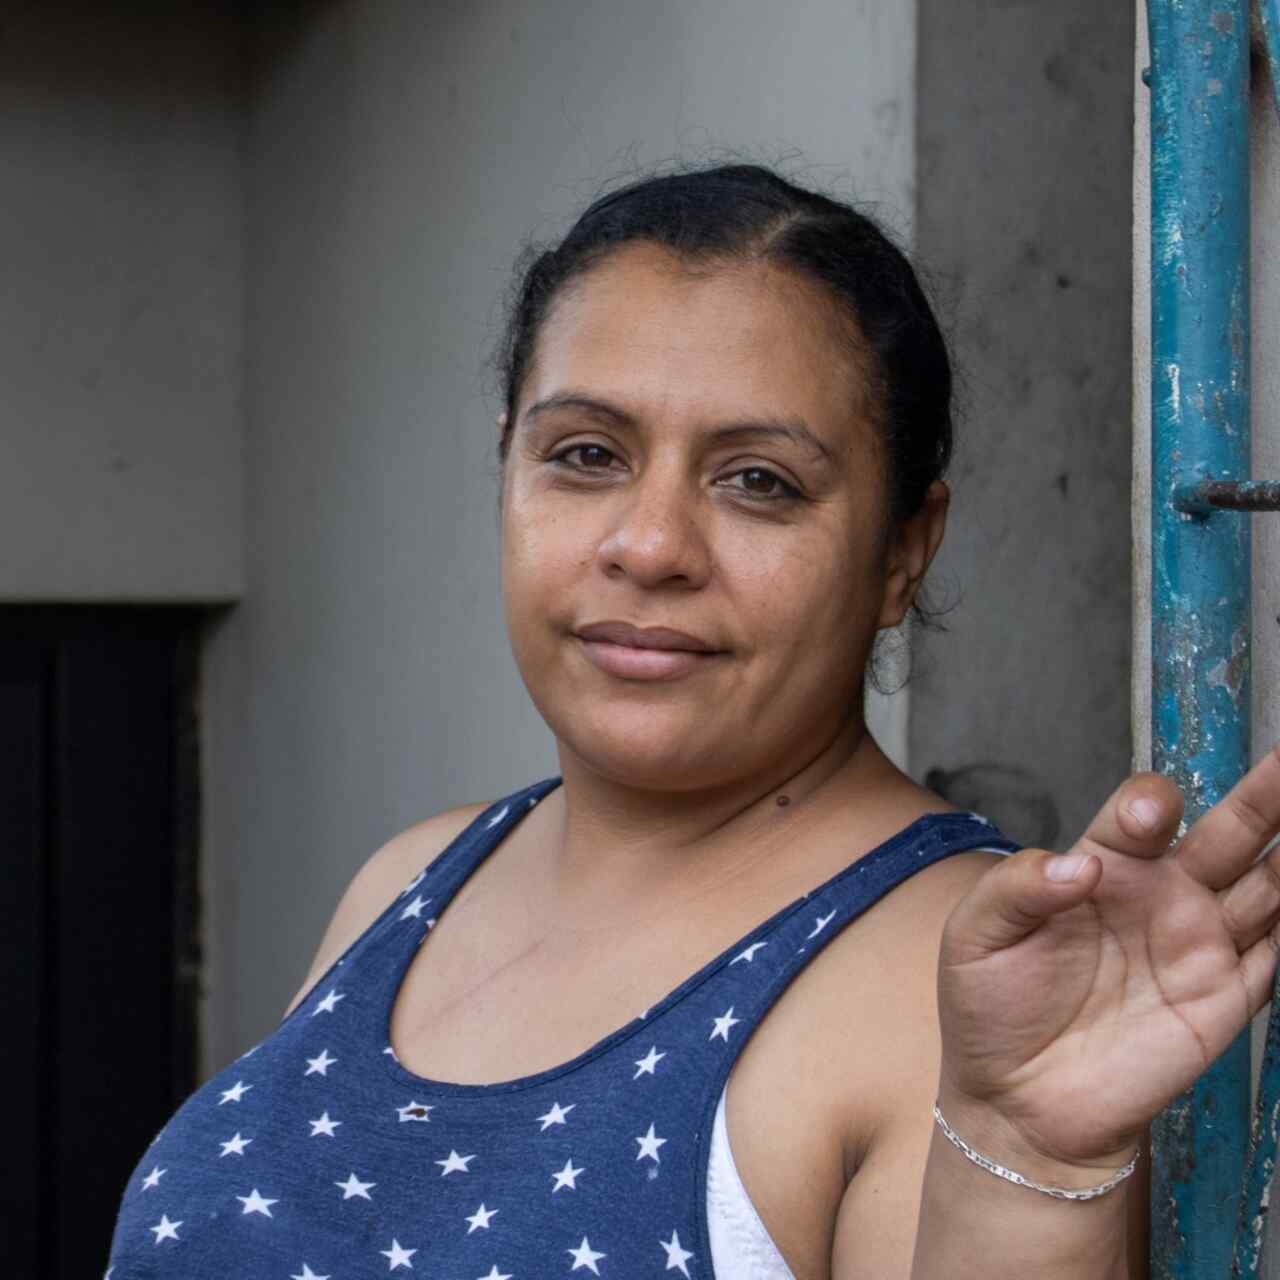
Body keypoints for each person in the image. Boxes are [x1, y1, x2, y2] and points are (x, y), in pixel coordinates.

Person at [107, 162, 1280, 1280]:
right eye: (582, 455)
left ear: (900, 552)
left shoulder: (957, 978)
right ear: (503, 474)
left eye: (757, 479)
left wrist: (1026, 1166)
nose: (650, 544)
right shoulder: (409, 880)